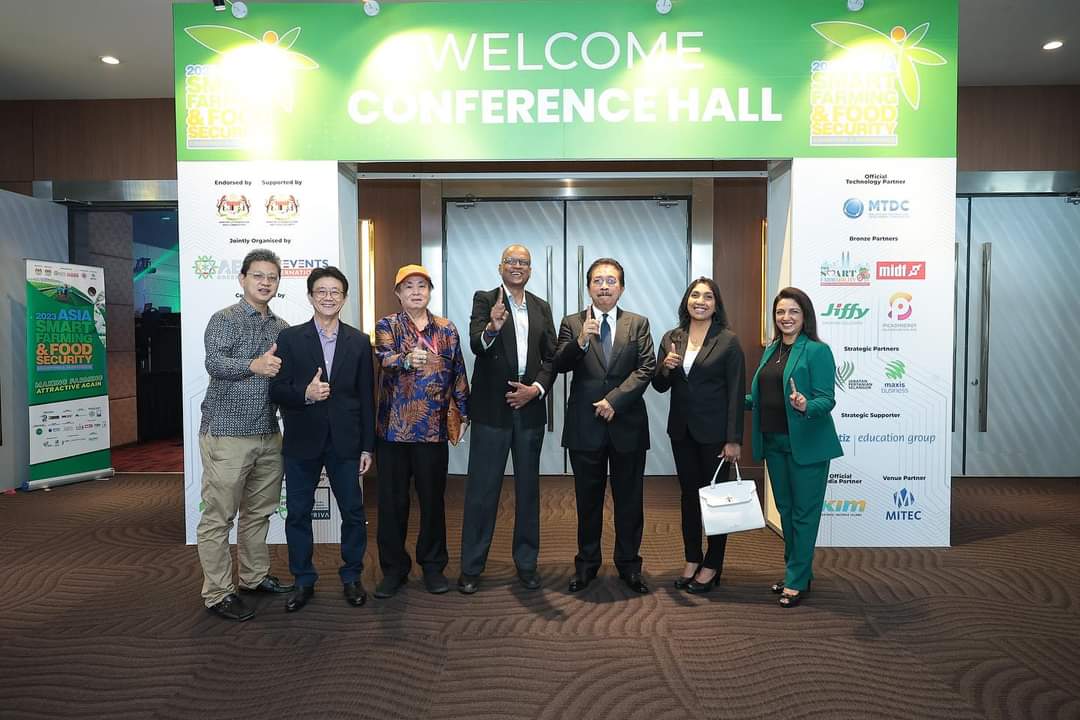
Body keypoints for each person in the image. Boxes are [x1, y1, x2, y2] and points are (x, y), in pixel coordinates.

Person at [196, 248, 295, 622]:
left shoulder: (282, 327)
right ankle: (218, 593)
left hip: (268, 432)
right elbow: (214, 363)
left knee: (258, 513)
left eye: (272, 277)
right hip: (227, 433)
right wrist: (253, 365)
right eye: (258, 276)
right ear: (242, 279)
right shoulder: (225, 319)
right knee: (218, 518)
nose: (265, 282)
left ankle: (253, 577)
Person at [269, 266, 375, 612]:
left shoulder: (359, 341)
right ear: (311, 296)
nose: (328, 297)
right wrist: (306, 393)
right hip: (302, 441)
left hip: (346, 442)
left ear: (344, 298)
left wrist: (367, 446)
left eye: (335, 292)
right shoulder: (289, 338)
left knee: (353, 513)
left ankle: (352, 576)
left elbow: (367, 396)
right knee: (298, 513)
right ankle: (303, 580)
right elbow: (277, 390)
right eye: (322, 291)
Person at [553, 258, 656, 595]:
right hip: (585, 426)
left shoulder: (637, 323)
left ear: (621, 288)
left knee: (629, 501)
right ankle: (586, 565)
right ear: (589, 287)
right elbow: (560, 364)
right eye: (598, 280)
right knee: (587, 502)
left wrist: (614, 400)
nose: (604, 286)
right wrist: (581, 340)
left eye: (611, 281)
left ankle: (629, 566)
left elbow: (647, 368)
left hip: (627, 424)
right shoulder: (572, 322)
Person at [459, 245, 557, 594]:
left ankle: (527, 564)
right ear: (500, 266)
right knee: (482, 491)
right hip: (492, 409)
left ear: (530, 270)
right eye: (511, 261)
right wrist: (492, 327)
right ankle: (471, 567)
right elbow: (476, 344)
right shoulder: (485, 299)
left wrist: (536, 389)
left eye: (523, 262)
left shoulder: (541, 306)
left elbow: (552, 357)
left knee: (528, 491)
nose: (517, 266)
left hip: (529, 408)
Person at [373, 264, 470, 598]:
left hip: (433, 429)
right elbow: (384, 358)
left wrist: (464, 412)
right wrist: (405, 359)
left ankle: (433, 566)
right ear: (398, 293)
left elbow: (459, 372)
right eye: (409, 286)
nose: (416, 292)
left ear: (430, 292)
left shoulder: (446, 329)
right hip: (393, 432)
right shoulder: (387, 325)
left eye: (422, 286)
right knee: (392, 504)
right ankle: (394, 570)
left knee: (432, 503)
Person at [746, 287, 843, 608]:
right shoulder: (771, 349)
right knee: (786, 511)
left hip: (807, 445)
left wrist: (805, 404)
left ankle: (796, 579)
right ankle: (797, 572)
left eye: (793, 312)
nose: (785, 317)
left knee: (804, 514)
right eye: (780, 312)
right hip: (773, 441)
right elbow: (761, 397)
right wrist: (731, 401)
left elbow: (826, 399)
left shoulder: (817, 351)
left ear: (805, 316)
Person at [652, 277, 746, 594]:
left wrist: (733, 439)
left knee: (716, 500)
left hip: (716, 435)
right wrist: (665, 366)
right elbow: (659, 385)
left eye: (708, 297)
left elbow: (736, 391)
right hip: (682, 431)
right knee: (689, 497)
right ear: (687, 301)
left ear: (716, 305)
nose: (700, 301)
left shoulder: (728, 341)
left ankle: (712, 564)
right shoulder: (672, 337)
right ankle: (692, 558)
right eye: (695, 295)